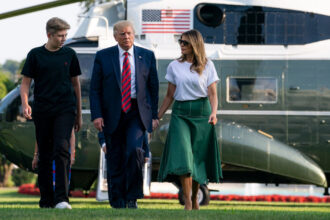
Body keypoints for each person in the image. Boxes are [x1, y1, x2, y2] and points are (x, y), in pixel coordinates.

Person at [90, 20, 159, 209]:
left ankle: (132, 197)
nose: (126, 36)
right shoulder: (103, 56)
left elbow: (153, 89)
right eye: (122, 34)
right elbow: (94, 89)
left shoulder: (147, 56)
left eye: (129, 33)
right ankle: (117, 200)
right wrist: (96, 115)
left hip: (137, 113)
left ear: (134, 34)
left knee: (134, 152)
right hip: (112, 113)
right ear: (115, 36)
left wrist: (154, 116)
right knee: (115, 157)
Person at [157, 29, 223, 210]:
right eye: (180, 42)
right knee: (184, 158)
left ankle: (194, 198)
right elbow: (169, 95)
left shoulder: (208, 65)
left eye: (185, 42)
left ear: (195, 44)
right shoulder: (173, 66)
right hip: (180, 114)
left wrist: (214, 112)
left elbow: (213, 93)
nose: (181, 45)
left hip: (202, 113)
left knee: (197, 160)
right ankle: (187, 201)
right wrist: (158, 116)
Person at [20, 17, 82, 209]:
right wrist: (24, 103)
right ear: (49, 35)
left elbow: (76, 84)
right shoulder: (35, 55)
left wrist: (78, 113)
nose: (64, 39)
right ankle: (46, 200)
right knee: (45, 155)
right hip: (43, 110)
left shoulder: (70, 54)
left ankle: (62, 199)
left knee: (62, 150)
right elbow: (25, 82)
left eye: (66, 35)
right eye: (61, 36)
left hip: (65, 109)